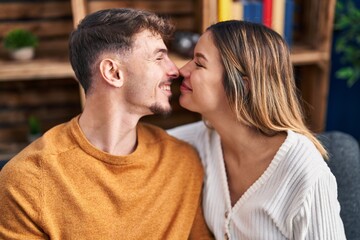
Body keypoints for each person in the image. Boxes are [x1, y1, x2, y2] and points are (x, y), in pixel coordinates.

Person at [0, 8, 213, 239]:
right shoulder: (27, 181)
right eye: (159, 57)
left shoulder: (183, 162)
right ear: (113, 72)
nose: (175, 70)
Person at [168, 20, 346, 239]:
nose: (182, 69)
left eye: (199, 63)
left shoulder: (304, 172)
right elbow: (141, 147)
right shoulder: (197, 141)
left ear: (243, 85)